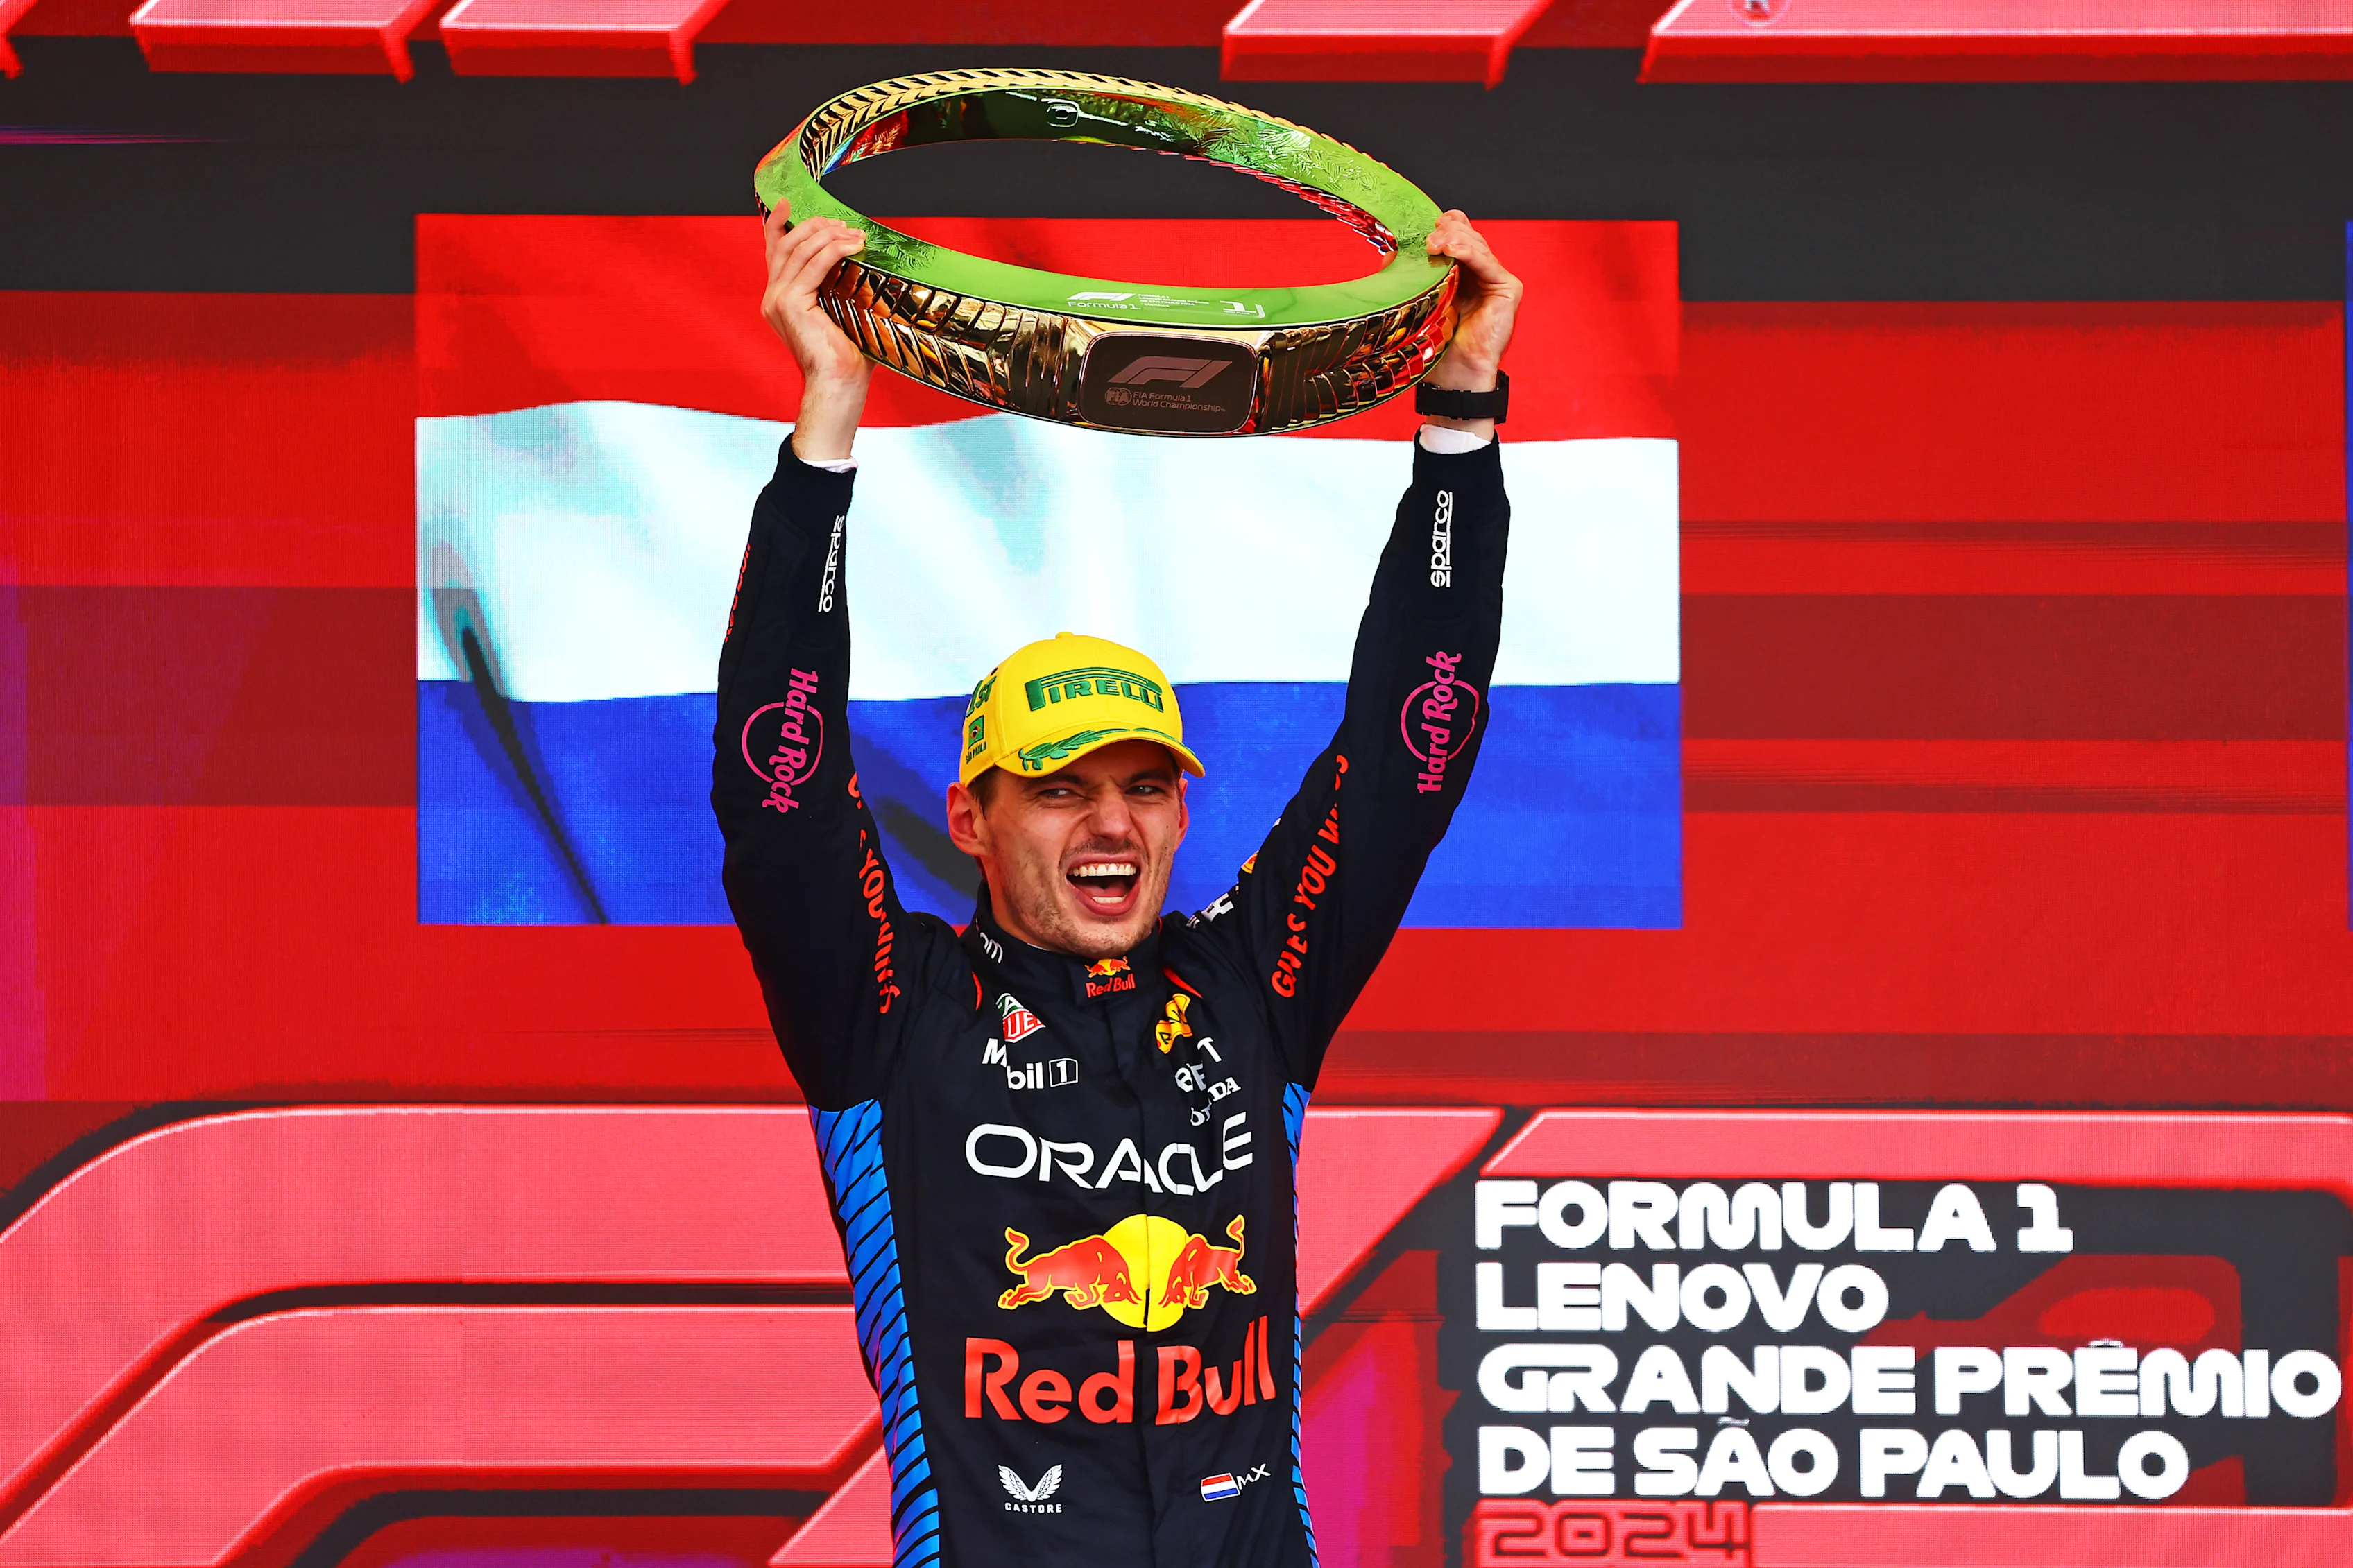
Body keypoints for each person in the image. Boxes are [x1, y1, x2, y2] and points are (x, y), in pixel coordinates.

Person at [714, 200, 1519, 1568]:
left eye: (1146, 786)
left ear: (1182, 809)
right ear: (969, 818)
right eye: (1058, 787)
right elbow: (777, 787)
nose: (1112, 823)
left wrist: (1459, 418)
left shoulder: (1250, 985)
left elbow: (1412, 747)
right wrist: (826, 429)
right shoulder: (889, 1011)